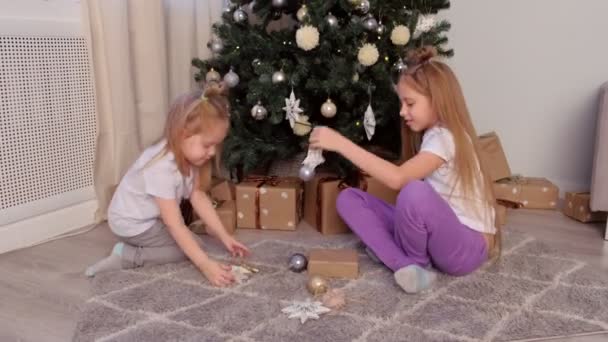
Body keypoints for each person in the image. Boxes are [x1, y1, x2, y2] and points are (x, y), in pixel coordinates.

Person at [309, 47, 498, 294]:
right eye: (402, 103)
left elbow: (397, 180)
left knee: (413, 192)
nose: (402, 112)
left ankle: (409, 261)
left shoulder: (445, 137)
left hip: (466, 249)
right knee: (348, 198)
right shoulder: (434, 134)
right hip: (440, 235)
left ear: (437, 100)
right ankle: (406, 264)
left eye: (410, 103)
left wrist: (339, 143)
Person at [86, 83, 249, 287]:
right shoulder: (162, 168)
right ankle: (128, 256)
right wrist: (205, 265)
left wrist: (225, 237)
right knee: (189, 250)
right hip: (130, 223)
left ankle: (137, 248)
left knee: (195, 244)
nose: (213, 152)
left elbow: (198, 196)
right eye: (207, 145)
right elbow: (175, 225)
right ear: (183, 135)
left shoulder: (191, 159)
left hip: (149, 218)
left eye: (217, 145)